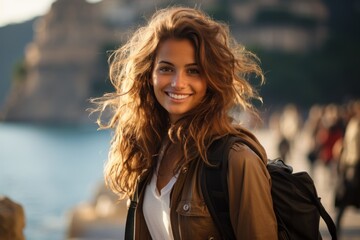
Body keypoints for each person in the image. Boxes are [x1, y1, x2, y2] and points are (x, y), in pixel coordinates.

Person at [92, 6, 278, 239]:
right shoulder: (148, 150)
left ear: (211, 79)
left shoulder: (237, 160)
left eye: (193, 71)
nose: (178, 83)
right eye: (167, 68)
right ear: (149, 75)